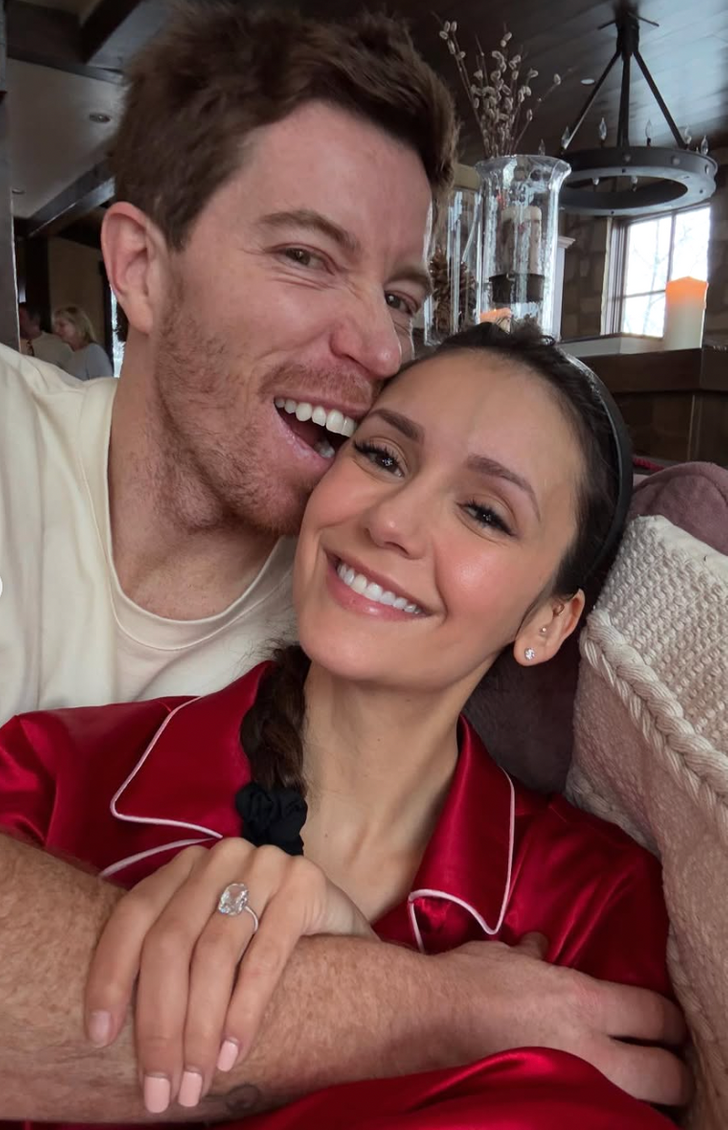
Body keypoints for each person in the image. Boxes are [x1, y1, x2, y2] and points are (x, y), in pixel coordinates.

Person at [0, 4, 684, 1119]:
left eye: (401, 296)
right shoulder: (59, 748)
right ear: (139, 268)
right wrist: (407, 1003)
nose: (378, 348)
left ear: (552, 617)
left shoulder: (580, 899)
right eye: (306, 255)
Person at [52, 304, 114, 379]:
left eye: (62, 325)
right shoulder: (73, 354)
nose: (57, 330)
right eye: (56, 326)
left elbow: (104, 382)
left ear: (77, 325)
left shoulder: (93, 351)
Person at [17, 301, 74, 371]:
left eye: (20, 317)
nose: (17, 321)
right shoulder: (12, 346)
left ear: (35, 319)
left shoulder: (58, 344)